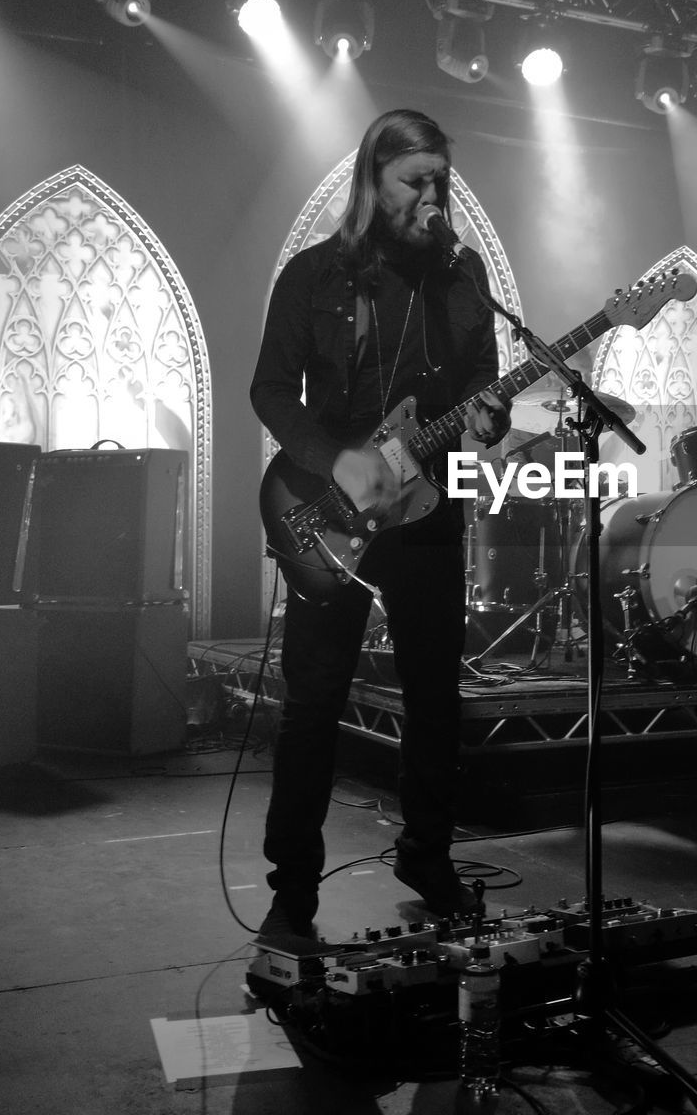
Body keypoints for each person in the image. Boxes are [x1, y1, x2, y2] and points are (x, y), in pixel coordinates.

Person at [250, 110, 510, 948]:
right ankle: (292, 893)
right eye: (415, 179)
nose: (431, 195)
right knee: (314, 703)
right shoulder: (316, 276)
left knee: (436, 695)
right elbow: (268, 391)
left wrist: (492, 417)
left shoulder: (463, 278)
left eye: (442, 179)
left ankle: (426, 858)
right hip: (327, 513)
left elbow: (482, 386)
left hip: (428, 510)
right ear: (372, 181)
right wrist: (337, 460)